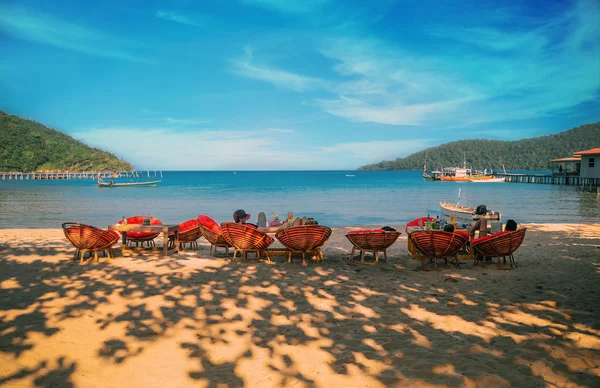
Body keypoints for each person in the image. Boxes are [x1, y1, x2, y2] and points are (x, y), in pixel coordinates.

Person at [233, 209, 317, 233]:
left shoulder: (234, 228)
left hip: (246, 240)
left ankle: (307, 224)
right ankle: (308, 225)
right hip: (296, 234)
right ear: (241, 219)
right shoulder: (249, 226)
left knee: (299, 218)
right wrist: (281, 227)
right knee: (299, 218)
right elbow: (265, 230)